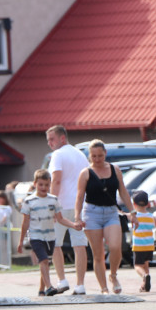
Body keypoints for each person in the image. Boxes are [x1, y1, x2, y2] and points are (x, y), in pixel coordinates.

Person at [74, 140, 134, 294]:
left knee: (115, 247)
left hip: (111, 213)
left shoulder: (115, 169)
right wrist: (77, 217)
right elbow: (80, 197)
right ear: (89, 156)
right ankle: (104, 288)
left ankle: (113, 275)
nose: (97, 159)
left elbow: (123, 191)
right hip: (91, 213)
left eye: (100, 155)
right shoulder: (85, 173)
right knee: (98, 253)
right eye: (93, 156)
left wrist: (133, 212)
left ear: (105, 153)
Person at [46, 125, 90, 294]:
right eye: (48, 140)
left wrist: (52, 204)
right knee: (79, 244)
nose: (50, 143)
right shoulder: (80, 154)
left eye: (52, 139)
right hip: (79, 205)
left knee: (55, 243)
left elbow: (56, 180)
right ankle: (80, 284)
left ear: (62, 138)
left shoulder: (58, 154)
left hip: (62, 205)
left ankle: (62, 280)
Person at [17, 169, 76, 296]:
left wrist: (73, 225)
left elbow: (60, 218)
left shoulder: (53, 200)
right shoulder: (29, 201)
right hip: (35, 236)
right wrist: (21, 241)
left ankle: (41, 289)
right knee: (43, 260)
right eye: (40, 184)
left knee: (45, 263)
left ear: (50, 184)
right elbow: (25, 222)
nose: (44, 187)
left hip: (50, 236)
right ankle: (49, 287)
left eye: (46, 185)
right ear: (34, 184)